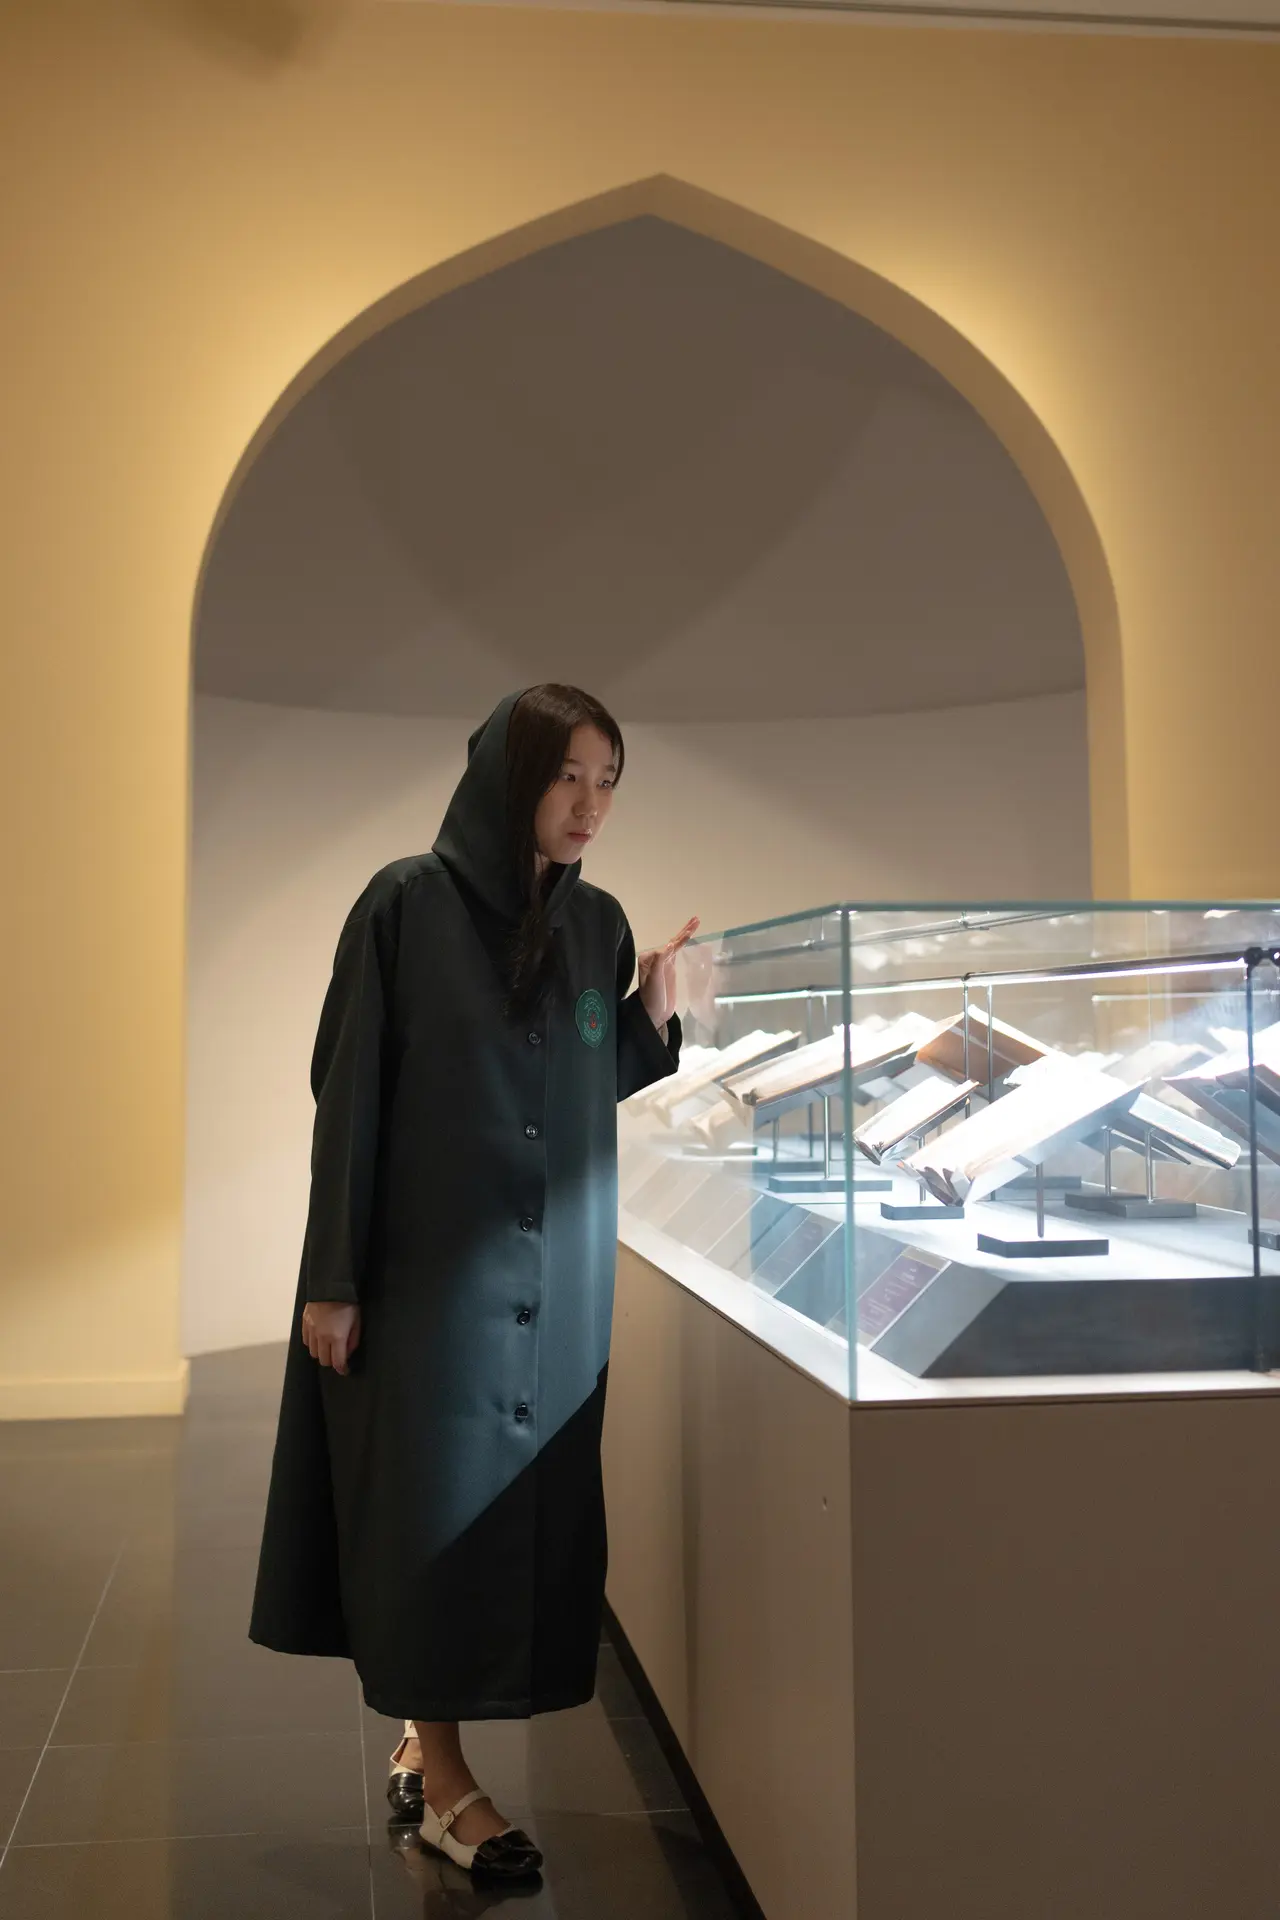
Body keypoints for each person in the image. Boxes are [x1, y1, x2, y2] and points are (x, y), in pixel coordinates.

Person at [249, 685, 698, 1879]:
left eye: (607, 781)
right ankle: (448, 1786)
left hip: (557, 1290)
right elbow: (348, 1093)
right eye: (566, 776)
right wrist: (333, 1278)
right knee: (433, 1518)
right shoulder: (405, 903)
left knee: (521, 1523)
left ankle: (424, 1742)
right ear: (509, 776)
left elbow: (579, 1086)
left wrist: (650, 1019)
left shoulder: (598, 925)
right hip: (431, 1284)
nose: (588, 805)